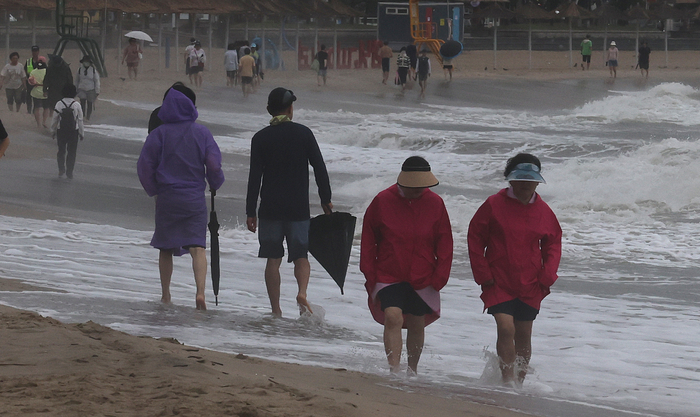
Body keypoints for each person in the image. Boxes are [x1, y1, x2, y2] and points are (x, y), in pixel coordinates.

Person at [467, 153, 562, 386]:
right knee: (505, 327)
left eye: (532, 181)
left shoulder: (544, 211)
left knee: (523, 335)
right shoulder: (493, 204)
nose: (527, 185)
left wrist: (547, 275)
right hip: (498, 280)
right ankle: (507, 381)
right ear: (511, 180)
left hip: (530, 283)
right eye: (521, 180)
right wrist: (483, 274)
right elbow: (475, 238)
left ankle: (518, 383)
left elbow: (553, 244)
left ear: (538, 181)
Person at [360, 156, 453, 374]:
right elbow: (368, 238)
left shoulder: (435, 203)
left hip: (423, 274)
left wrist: (441, 274)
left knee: (416, 322)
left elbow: (445, 241)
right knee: (392, 316)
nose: (419, 190)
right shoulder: (382, 201)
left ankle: (412, 370)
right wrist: (369, 271)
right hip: (388, 272)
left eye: (423, 186)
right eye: (415, 186)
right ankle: (394, 370)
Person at [246, 87, 333, 317]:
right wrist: (326, 198)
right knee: (301, 256)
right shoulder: (304, 134)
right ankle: (302, 292)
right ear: (290, 109)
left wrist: (250, 211)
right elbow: (319, 167)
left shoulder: (260, 138)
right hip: (298, 209)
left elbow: (255, 177)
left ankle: (276, 311)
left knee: (273, 259)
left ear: (269, 111)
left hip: (270, 209)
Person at [137, 85, 225, 311]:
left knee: (166, 248)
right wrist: (215, 183)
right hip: (194, 198)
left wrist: (154, 189)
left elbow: (144, 166)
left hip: (167, 198)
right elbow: (214, 164)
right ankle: (200, 293)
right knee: (198, 248)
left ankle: (166, 295)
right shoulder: (202, 133)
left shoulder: (159, 134)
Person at [50, 84, 84, 179]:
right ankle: (70, 171)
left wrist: (52, 131)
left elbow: (54, 119)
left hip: (61, 130)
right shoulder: (76, 104)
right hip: (74, 131)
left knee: (61, 150)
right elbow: (80, 120)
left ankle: (61, 169)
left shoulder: (59, 104)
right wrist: (82, 133)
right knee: (72, 152)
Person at [75, 55, 100, 121]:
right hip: (81, 88)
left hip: (91, 89)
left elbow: (96, 81)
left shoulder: (93, 71)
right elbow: (77, 80)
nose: (86, 63)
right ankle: (82, 116)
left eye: (87, 62)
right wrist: (75, 89)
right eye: (85, 61)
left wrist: (97, 91)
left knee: (90, 103)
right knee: (82, 102)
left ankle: (88, 117)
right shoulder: (79, 70)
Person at [28, 56, 50, 128]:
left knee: (36, 108)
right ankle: (44, 121)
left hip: (36, 91)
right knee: (46, 108)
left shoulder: (33, 72)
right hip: (45, 91)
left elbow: (31, 82)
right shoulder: (48, 71)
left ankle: (38, 124)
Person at [24, 45, 40, 114]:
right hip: (29, 82)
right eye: (33, 51)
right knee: (29, 97)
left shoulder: (41, 61)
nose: (34, 53)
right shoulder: (28, 61)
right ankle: (29, 110)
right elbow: (25, 70)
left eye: (36, 51)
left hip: (37, 82)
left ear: (38, 52)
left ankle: (35, 110)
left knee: (36, 97)